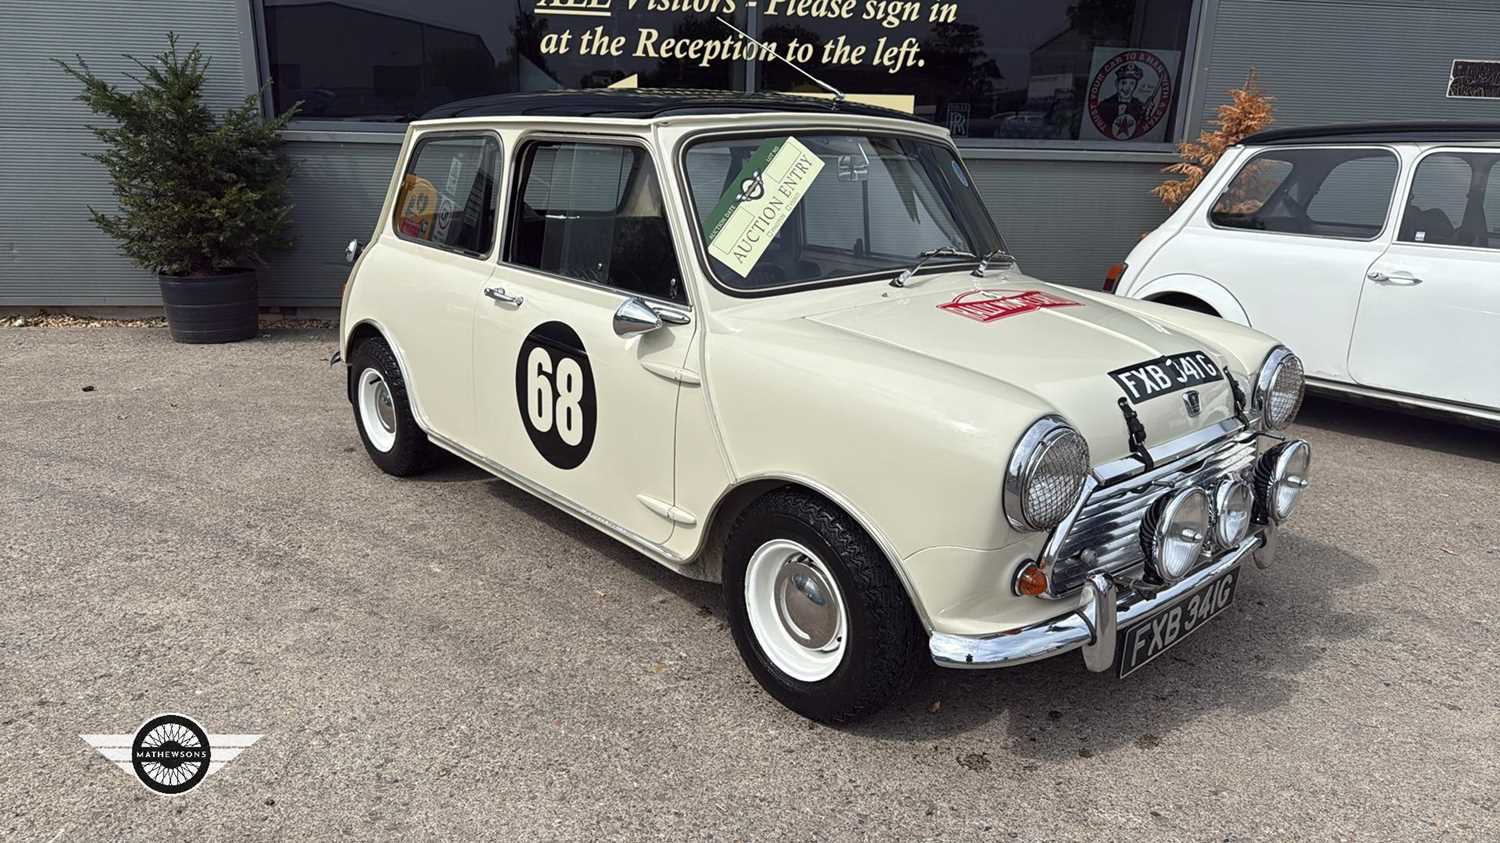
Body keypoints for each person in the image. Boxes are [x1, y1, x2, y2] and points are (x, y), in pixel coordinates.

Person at [1096, 63, 1148, 140]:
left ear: (1135, 86)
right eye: (1124, 83)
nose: (1127, 88)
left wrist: (1148, 115)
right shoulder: (1104, 106)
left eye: (1132, 83)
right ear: (1116, 84)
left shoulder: (1140, 107)